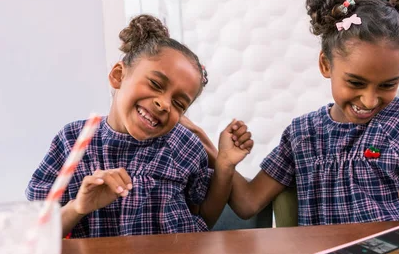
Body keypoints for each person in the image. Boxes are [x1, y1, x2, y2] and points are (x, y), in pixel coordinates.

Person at [211, 0, 399, 226]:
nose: (369, 100)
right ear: (325, 64)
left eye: (387, 85)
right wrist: (220, 157)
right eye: (355, 83)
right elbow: (247, 203)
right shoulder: (303, 135)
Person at [26, 15, 254, 238]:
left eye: (178, 103)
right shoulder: (72, 140)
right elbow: (38, 233)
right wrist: (78, 207)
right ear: (118, 76)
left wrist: (224, 164)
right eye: (155, 84)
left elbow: (203, 218)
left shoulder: (184, 144)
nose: (164, 104)